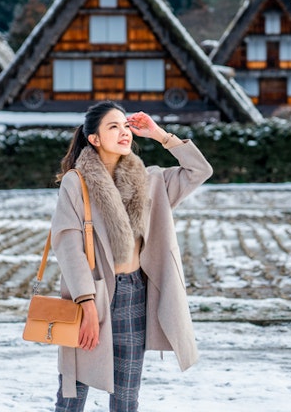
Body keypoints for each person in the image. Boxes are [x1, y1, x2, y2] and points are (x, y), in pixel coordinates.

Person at [50, 100, 213, 411]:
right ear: (94, 138)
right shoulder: (76, 182)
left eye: (126, 126)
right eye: (114, 126)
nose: (124, 132)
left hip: (134, 293)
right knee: (72, 396)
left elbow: (200, 170)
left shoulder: (151, 181)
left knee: (126, 399)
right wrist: (86, 304)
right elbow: (68, 245)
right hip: (90, 294)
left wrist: (159, 134)